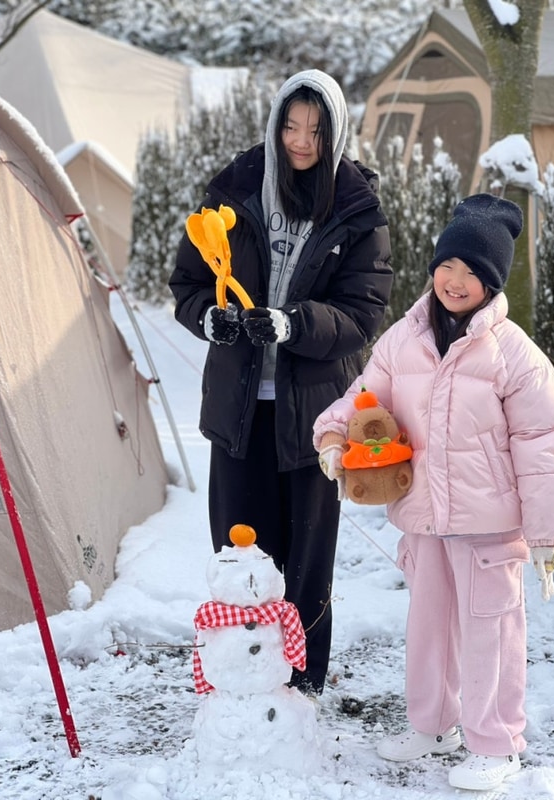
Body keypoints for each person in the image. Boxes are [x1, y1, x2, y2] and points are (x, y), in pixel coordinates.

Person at [313, 193, 554, 790]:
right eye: (449, 266)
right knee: (428, 628)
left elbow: (541, 442)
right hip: (424, 518)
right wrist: (332, 433)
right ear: (434, 267)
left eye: (474, 273)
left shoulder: (515, 356)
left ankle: (496, 743)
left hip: (489, 525)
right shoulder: (403, 340)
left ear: (492, 284)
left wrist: (544, 532)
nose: (457, 281)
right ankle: (432, 725)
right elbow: (365, 394)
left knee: (491, 632)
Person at [169, 69, 393, 695]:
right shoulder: (233, 189)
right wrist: (207, 318)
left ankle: (300, 681)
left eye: (316, 130)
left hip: (316, 415)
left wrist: (292, 325)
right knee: (242, 551)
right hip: (240, 407)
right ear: (274, 124)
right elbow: (187, 284)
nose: (301, 141)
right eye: (291, 126)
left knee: (307, 556)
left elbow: (362, 313)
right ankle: (238, 676)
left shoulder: (357, 208)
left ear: (335, 134)